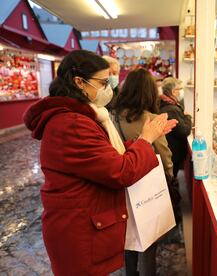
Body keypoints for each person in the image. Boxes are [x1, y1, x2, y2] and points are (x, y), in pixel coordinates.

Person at [23, 50, 177, 276]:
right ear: (79, 82)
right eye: (104, 81)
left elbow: (103, 156)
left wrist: (145, 138)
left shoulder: (83, 117)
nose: (110, 87)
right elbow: (120, 171)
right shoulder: (71, 123)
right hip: (78, 230)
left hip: (83, 223)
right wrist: (146, 140)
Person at [112, 68, 176, 276]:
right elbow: (164, 155)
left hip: (121, 183)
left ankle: (129, 273)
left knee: (128, 236)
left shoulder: (114, 117)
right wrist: (170, 176)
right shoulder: (152, 119)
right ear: (150, 92)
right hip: (147, 184)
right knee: (148, 240)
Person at [160, 77, 192, 177]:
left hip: (170, 150)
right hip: (172, 152)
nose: (181, 92)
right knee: (172, 178)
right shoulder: (171, 109)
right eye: (180, 89)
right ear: (173, 91)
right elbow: (184, 131)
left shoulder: (165, 103)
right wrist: (187, 117)